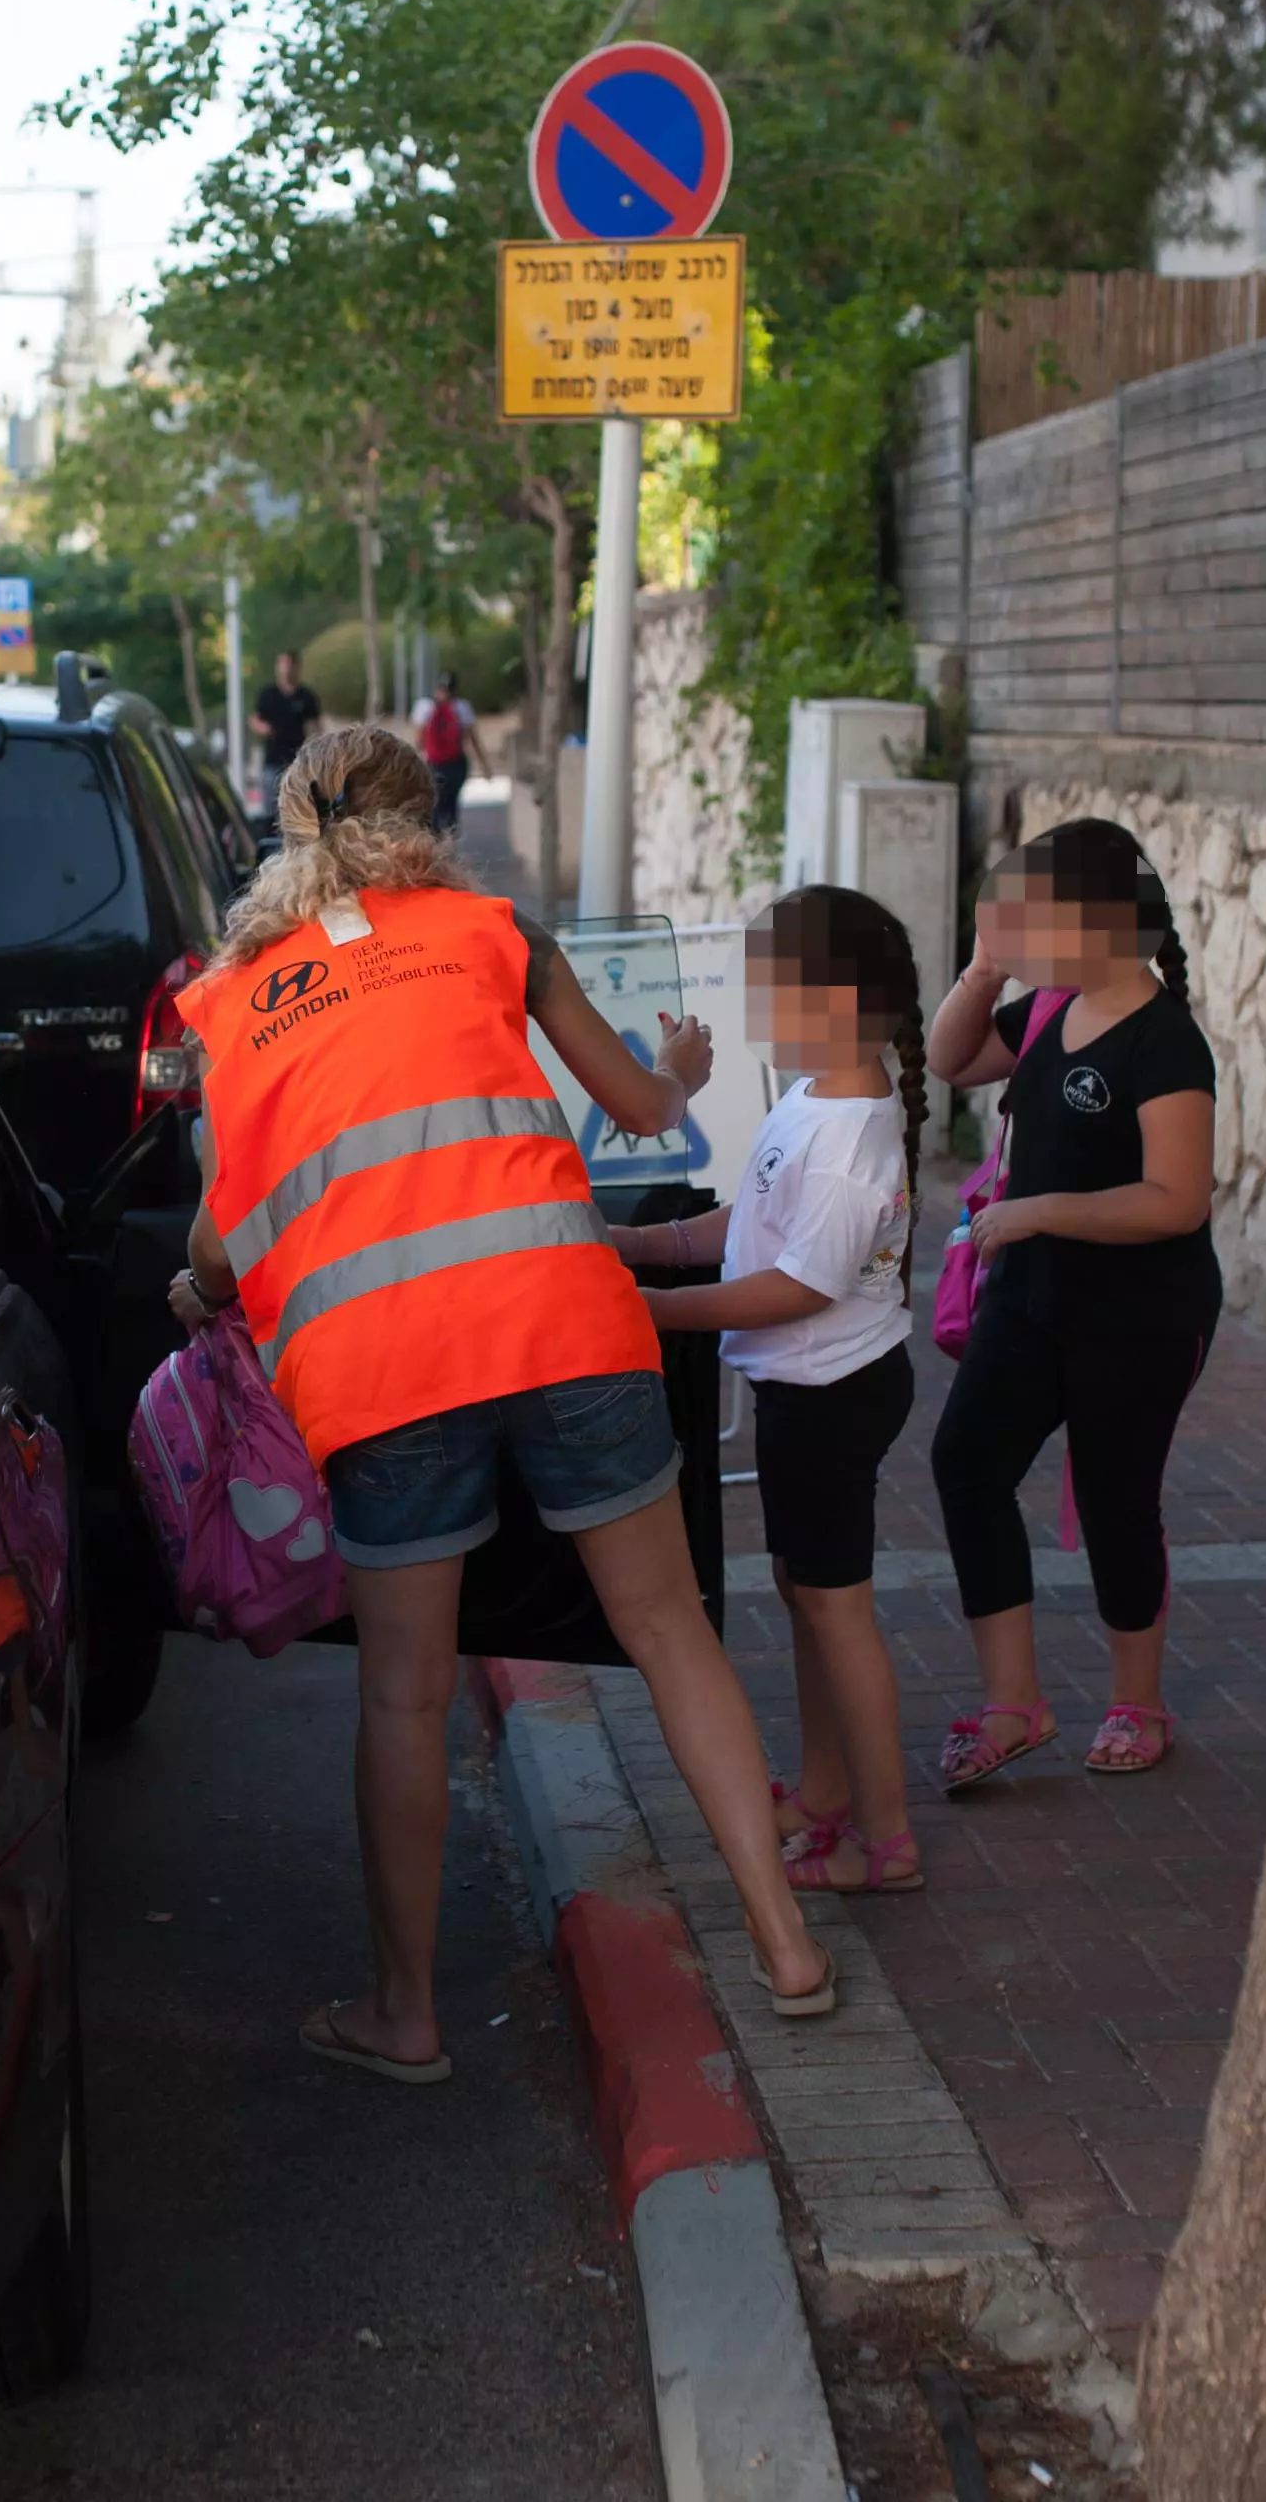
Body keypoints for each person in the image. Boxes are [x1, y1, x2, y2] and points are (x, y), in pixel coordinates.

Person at [170, 725, 837, 2080]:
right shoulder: (494, 932)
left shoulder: (232, 1001)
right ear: (430, 820)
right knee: (669, 1631)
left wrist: (198, 1292)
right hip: (565, 1318)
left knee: (408, 1696)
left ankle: (405, 2015)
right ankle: (785, 1943)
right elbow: (642, 1107)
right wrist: (686, 1069)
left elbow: (218, 1243)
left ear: (292, 829)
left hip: (382, 1368)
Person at [612, 886, 927, 1893]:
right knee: (807, 1596)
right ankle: (826, 1794)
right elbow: (742, 1228)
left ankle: (885, 1839)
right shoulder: (811, 1096)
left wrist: (645, 1316)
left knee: (835, 1609)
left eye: (767, 986)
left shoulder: (848, 1138)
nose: (750, 1004)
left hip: (831, 1396)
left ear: (833, 1002)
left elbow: (795, 1285)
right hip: (806, 1393)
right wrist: (636, 1249)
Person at [924, 821, 1219, 1785]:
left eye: (1031, 915)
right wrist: (982, 972)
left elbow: (1178, 1200)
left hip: (1140, 1311)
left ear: (1095, 922)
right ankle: (1016, 1703)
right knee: (967, 1463)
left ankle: (1140, 1704)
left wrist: (1039, 1208)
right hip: (1032, 1294)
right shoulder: (1050, 1008)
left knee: (1114, 1501)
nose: (1016, 928)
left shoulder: (1165, 1041)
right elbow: (951, 1063)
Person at [250, 648, 325, 787]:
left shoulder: (306, 696)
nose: (285, 669)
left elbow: (315, 726)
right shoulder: (268, 695)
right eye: (282, 664)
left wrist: (315, 749)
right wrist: (266, 729)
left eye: (288, 664)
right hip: (273, 761)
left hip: (297, 762)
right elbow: (254, 719)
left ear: (297, 667)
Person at [412, 669, 475, 835]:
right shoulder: (462, 707)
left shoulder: (423, 707)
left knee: (434, 805)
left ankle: (436, 844)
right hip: (456, 764)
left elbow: (419, 740)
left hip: (433, 764)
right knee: (452, 804)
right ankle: (451, 842)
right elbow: (469, 738)